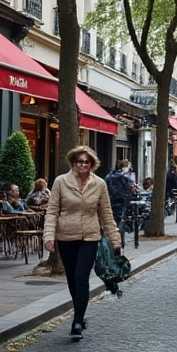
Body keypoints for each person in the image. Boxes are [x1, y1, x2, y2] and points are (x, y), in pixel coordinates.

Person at [44, 145, 123, 341]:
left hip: (90, 236)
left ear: (92, 164)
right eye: (79, 161)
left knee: (81, 277)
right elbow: (52, 210)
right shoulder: (61, 182)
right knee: (72, 278)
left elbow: (106, 213)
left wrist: (115, 239)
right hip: (66, 236)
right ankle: (80, 312)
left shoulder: (99, 184)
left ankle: (77, 321)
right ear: (73, 162)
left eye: (86, 162)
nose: (83, 165)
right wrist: (48, 236)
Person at [105, 159, 136, 229]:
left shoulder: (109, 175)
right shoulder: (125, 176)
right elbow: (130, 185)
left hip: (110, 199)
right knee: (121, 218)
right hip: (121, 200)